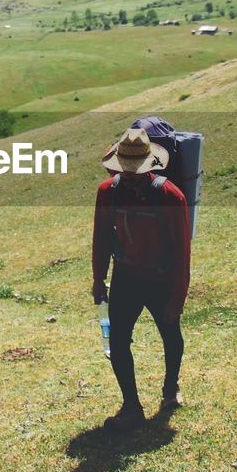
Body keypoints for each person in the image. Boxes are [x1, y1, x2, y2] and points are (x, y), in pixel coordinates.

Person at [92, 128, 191, 433]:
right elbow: (101, 240)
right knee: (118, 342)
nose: (131, 177)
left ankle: (170, 387)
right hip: (126, 278)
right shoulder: (107, 192)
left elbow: (182, 253)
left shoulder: (170, 196)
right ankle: (131, 407)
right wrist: (99, 280)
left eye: (136, 171)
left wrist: (177, 299)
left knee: (170, 333)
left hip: (161, 279)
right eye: (126, 171)